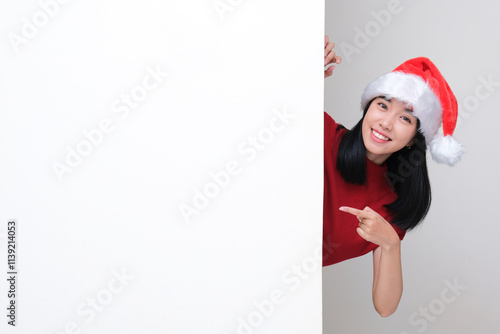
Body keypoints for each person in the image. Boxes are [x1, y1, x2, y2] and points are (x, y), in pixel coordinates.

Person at [322, 35, 464, 317]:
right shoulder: (324, 135)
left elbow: (385, 307)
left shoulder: (394, 201)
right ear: (368, 108)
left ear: (414, 138)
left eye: (405, 118)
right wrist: (299, 75)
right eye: (383, 105)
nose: (386, 123)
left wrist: (390, 243)